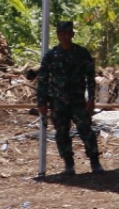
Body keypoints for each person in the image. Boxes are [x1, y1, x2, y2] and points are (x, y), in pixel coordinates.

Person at [37, 20, 102, 176]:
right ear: (57, 35)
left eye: (67, 33)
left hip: (78, 101)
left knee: (86, 131)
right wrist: (42, 102)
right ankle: (68, 164)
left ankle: (95, 161)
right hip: (58, 103)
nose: (64, 36)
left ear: (72, 34)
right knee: (62, 133)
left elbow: (90, 77)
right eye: (61, 33)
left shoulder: (81, 53)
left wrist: (92, 98)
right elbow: (43, 79)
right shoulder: (51, 55)